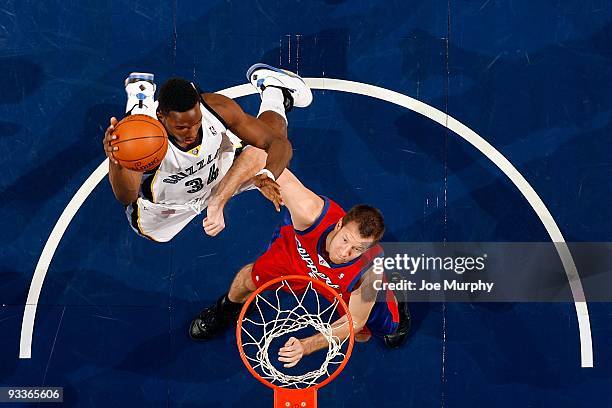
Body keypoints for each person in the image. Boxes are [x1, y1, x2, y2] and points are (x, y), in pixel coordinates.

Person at [189, 169, 411, 364]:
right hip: (297, 254)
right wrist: (223, 199)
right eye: (345, 240)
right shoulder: (309, 211)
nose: (345, 253)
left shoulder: (370, 270)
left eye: (357, 249)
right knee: (251, 279)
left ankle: (395, 298)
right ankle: (226, 308)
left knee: (375, 330)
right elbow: (261, 158)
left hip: (346, 281)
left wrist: (307, 345)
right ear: (339, 224)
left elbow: (354, 322)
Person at [102, 64, 312, 242]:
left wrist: (268, 175)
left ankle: (274, 89)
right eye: (182, 128)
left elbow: (278, 143)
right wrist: (118, 159)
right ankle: (140, 101)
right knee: (134, 131)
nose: (192, 132)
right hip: (169, 208)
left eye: (196, 123)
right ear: (163, 116)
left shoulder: (216, 108)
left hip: (218, 177)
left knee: (263, 151)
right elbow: (126, 196)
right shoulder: (146, 143)